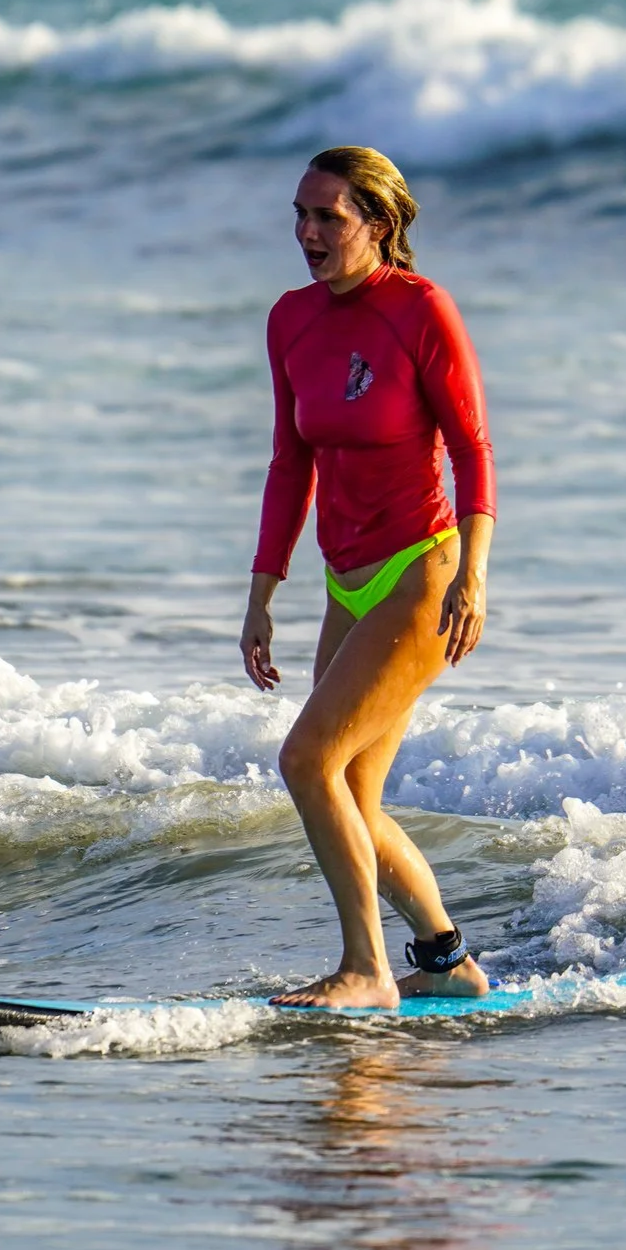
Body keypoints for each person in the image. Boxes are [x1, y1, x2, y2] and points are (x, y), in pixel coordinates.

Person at [241, 145, 496, 1009]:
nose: (308, 233)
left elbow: (472, 449)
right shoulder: (290, 319)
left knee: (307, 760)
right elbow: (289, 463)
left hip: (420, 572)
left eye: (329, 218)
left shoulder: (420, 311)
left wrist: (476, 576)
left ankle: (366, 969)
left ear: (377, 225)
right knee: (349, 785)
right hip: (343, 581)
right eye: (301, 216)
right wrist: (261, 593)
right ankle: (445, 958)